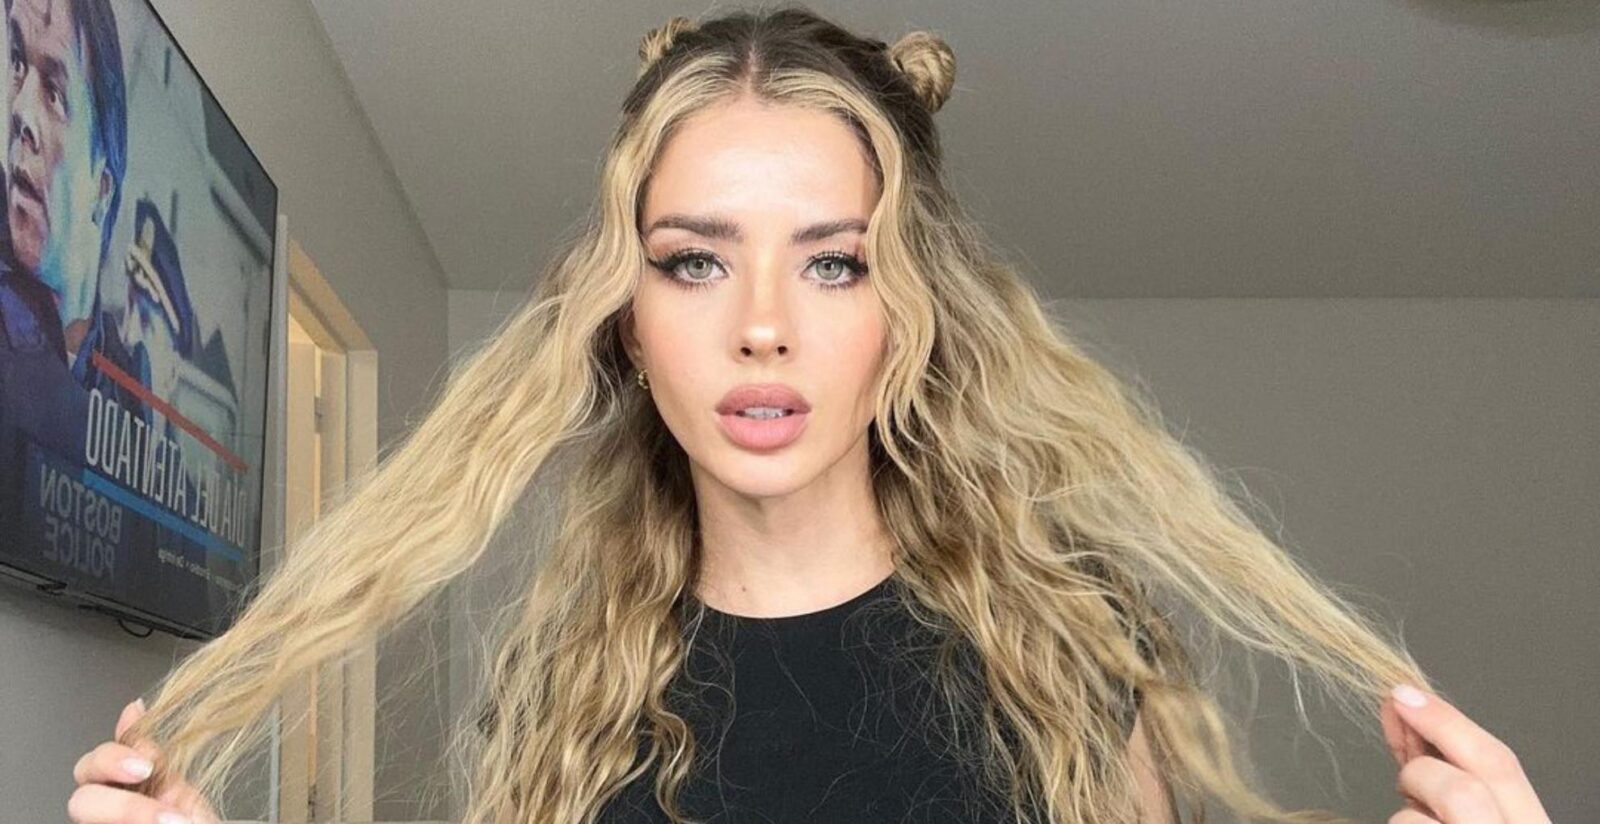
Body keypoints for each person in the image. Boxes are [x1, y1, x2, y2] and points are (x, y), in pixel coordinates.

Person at [68, 7, 1554, 824]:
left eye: (834, 261)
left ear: (909, 309)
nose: (762, 322)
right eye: (694, 260)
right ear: (626, 314)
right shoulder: (563, 697)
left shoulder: (1067, 655)